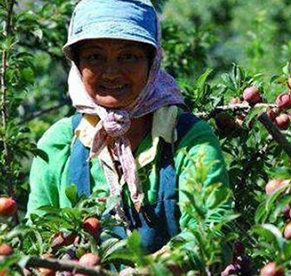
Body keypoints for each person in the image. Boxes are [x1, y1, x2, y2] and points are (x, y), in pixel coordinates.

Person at [26, 0, 231, 256]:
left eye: (128, 56)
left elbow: (213, 230)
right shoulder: (59, 145)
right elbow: (37, 241)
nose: (111, 72)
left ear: (152, 62)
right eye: (94, 57)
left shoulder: (189, 138)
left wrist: (151, 275)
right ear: (77, 64)